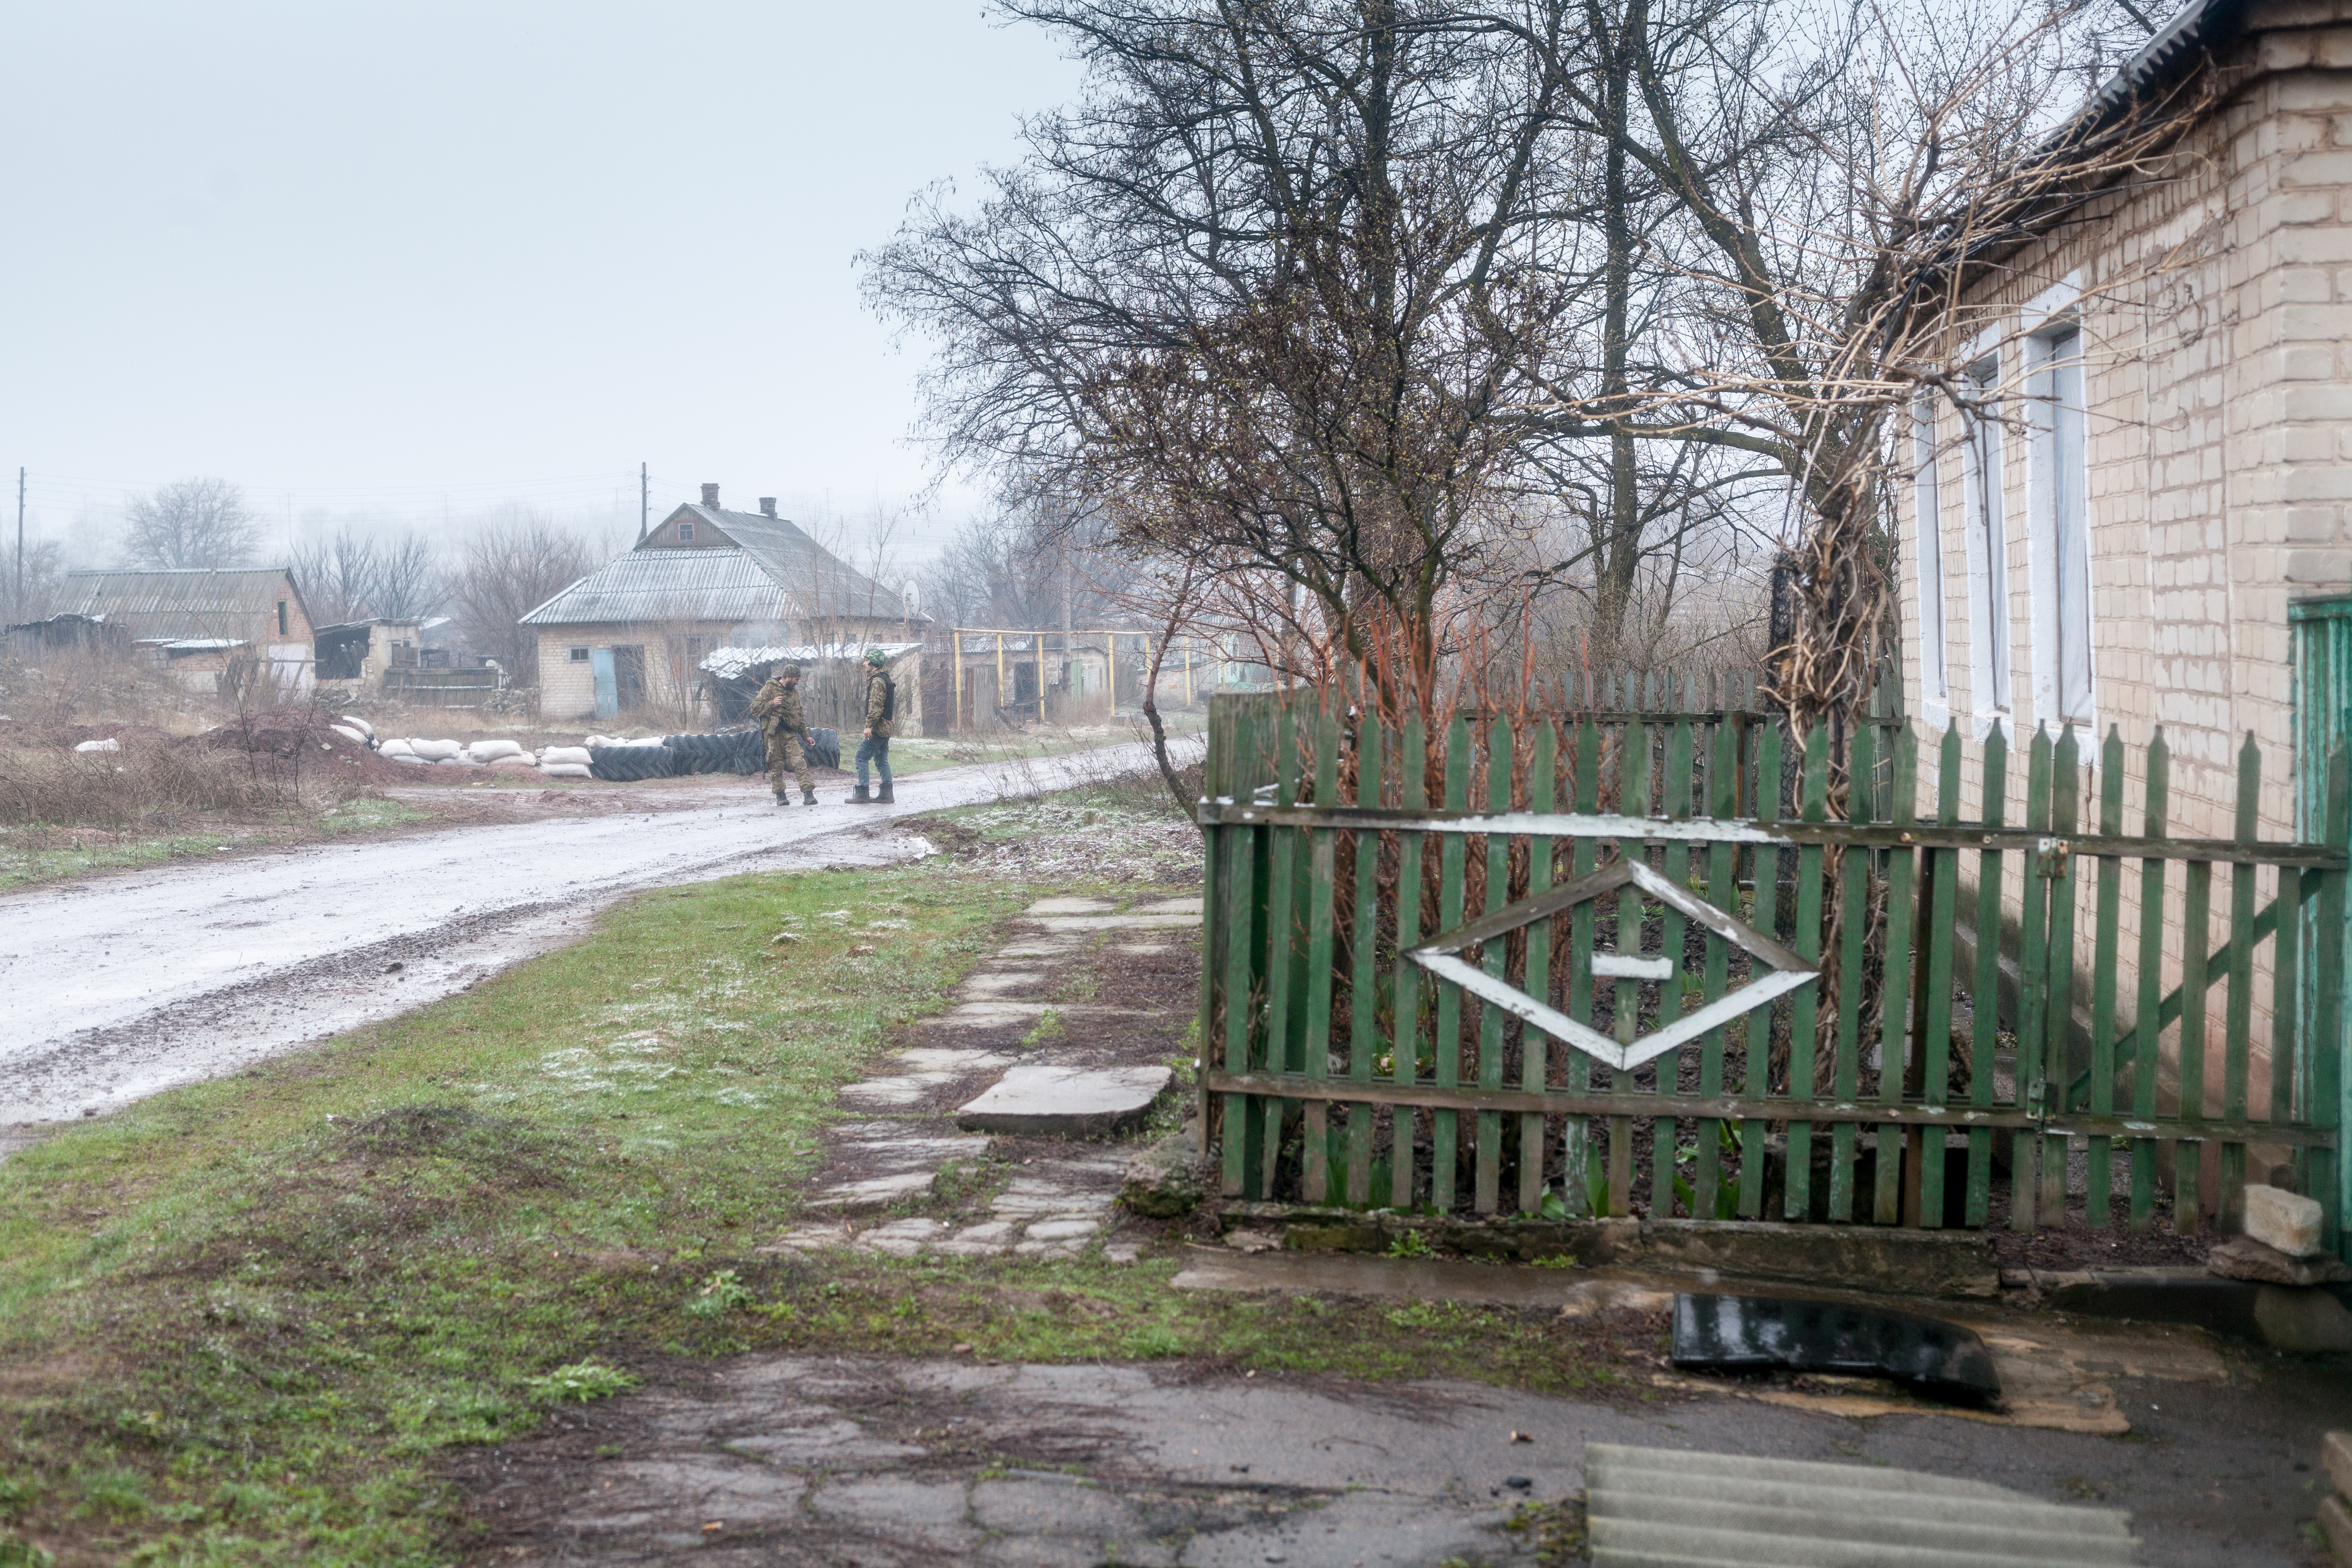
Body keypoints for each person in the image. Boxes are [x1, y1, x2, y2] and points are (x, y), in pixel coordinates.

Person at [749, 664, 817, 806]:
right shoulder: (770, 689)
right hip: (773, 735)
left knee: (799, 762)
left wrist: (806, 736)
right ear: (788, 677)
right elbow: (754, 709)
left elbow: (799, 716)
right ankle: (781, 796)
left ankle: (808, 794)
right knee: (776, 765)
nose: (798, 682)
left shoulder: (795, 694)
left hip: (790, 733)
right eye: (796, 679)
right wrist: (771, 704)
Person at [851, 648, 895, 804]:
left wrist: (869, 726)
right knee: (882, 759)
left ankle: (862, 793)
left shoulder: (877, 681)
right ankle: (887, 794)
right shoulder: (885, 678)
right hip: (886, 727)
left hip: (878, 727)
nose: (864, 664)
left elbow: (876, 707)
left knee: (861, 758)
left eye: (866, 661)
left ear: (873, 664)